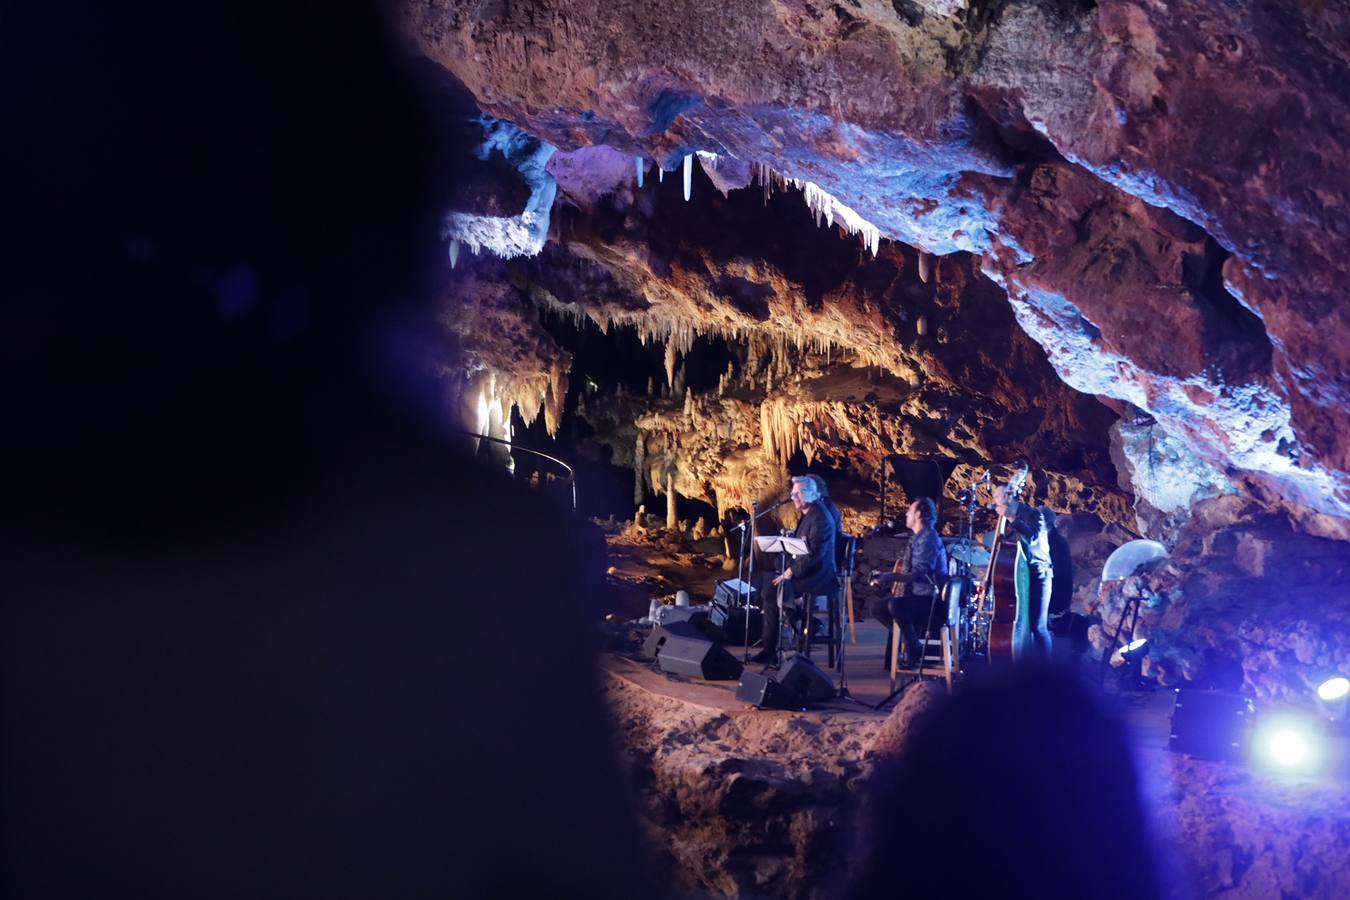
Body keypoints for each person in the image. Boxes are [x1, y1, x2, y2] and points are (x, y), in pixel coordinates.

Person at [751, 475, 838, 664]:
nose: (793, 498)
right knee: (770, 586)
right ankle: (804, 623)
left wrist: (789, 572)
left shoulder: (820, 518)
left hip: (818, 574)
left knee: (770, 593)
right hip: (808, 569)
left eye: (797, 494)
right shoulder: (809, 514)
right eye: (792, 493)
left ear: (810, 494)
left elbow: (814, 555)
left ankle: (773, 647)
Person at [869, 497, 947, 667]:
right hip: (919, 595)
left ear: (918, 514)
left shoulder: (928, 539)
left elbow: (919, 574)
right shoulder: (918, 537)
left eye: (910, 510)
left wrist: (889, 576)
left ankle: (914, 647)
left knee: (896, 606)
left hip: (931, 599)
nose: (906, 513)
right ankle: (909, 639)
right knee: (878, 607)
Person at [993, 485, 1055, 657]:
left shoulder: (1034, 514)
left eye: (996, 495)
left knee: (1039, 626)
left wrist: (1012, 517)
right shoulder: (1011, 522)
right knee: (1024, 625)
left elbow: (1032, 537)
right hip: (1023, 576)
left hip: (1039, 574)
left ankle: (1047, 671)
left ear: (1008, 496)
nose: (993, 500)